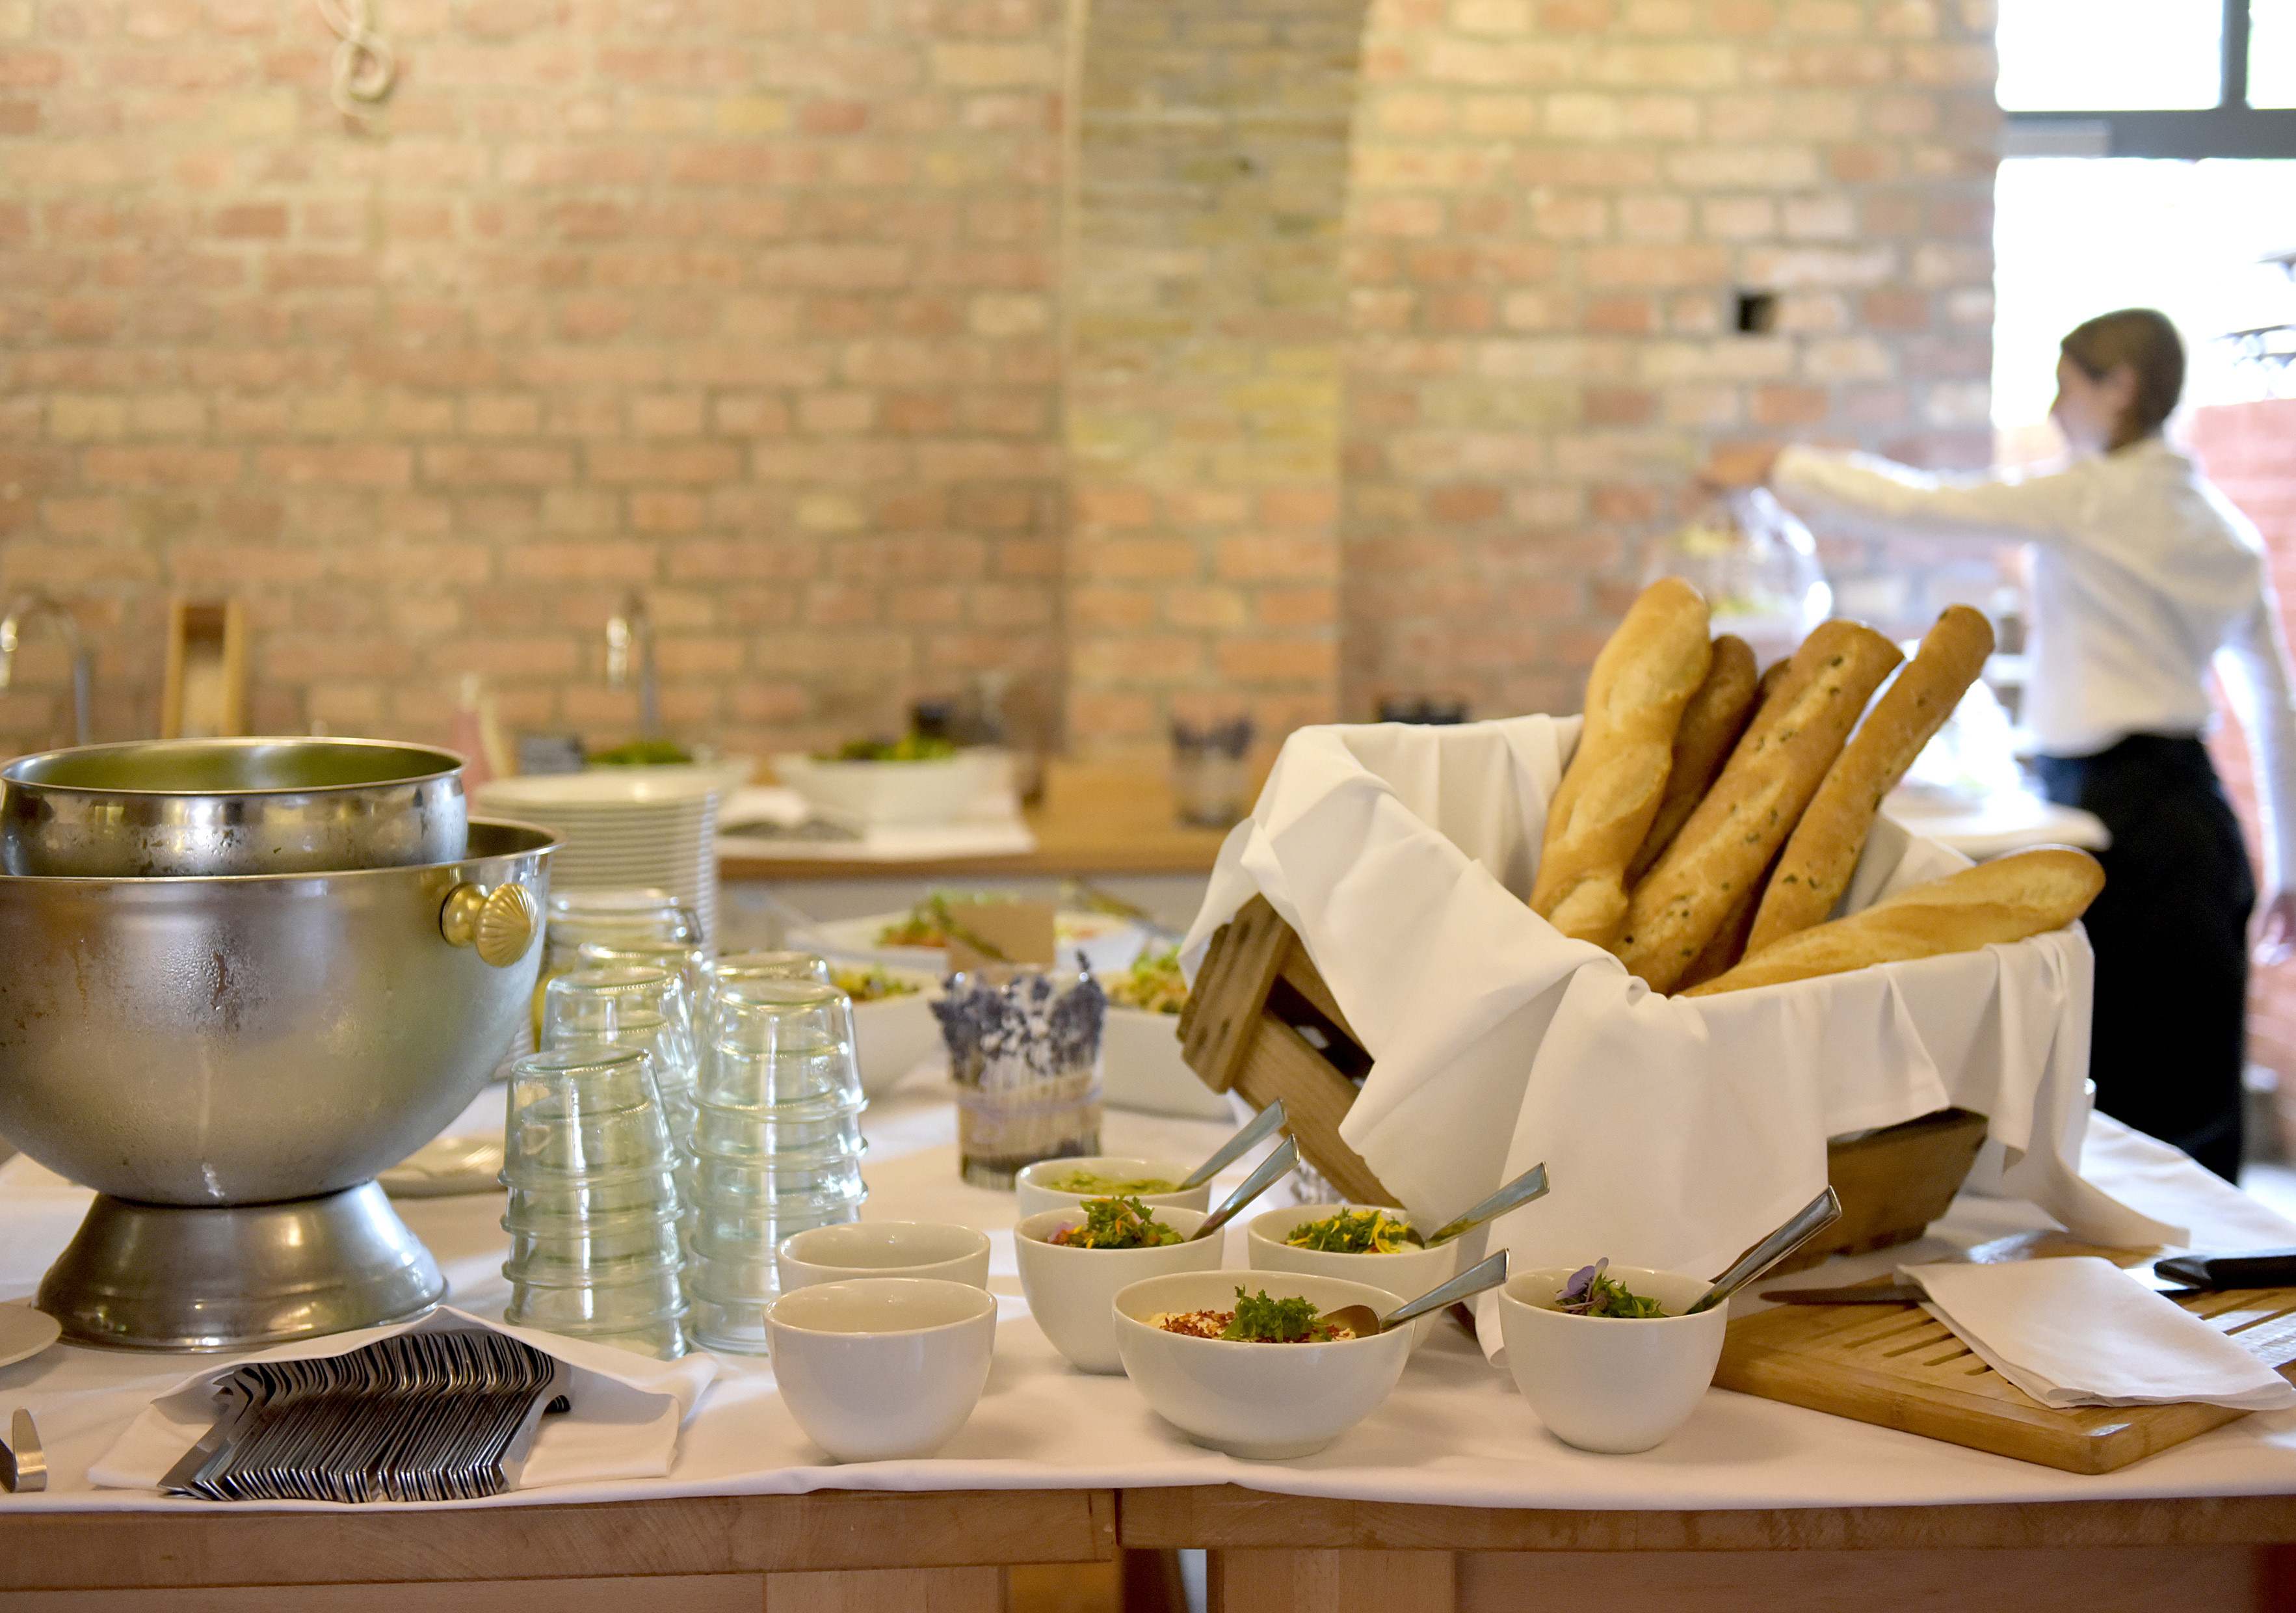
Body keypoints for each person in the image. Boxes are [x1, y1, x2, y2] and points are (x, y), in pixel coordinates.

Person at [1703, 307, 2296, 1182]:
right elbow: (2270, 703)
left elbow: (1931, 504)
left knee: (2120, 1099)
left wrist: (1777, 465)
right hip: (2202, 826)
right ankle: (2221, 1301)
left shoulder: (2095, 494)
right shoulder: (2222, 527)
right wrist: (2287, 865)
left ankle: (2116, 1294)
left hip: (2118, 819)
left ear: (2119, 389)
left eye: (2067, 386)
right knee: (2196, 1102)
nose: (2057, 410)